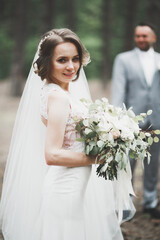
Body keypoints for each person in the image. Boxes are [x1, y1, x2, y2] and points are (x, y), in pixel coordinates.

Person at [0, 28, 135, 240]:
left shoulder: (57, 91)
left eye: (75, 59)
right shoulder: (58, 97)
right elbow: (52, 154)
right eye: (62, 60)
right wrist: (96, 157)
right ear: (47, 62)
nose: (71, 66)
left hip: (71, 185)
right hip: (65, 187)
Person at [111, 22, 160, 219]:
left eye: (145, 36)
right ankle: (124, 205)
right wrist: (117, 121)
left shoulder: (159, 59)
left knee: (153, 164)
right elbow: (118, 90)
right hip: (130, 122)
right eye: (138, 35)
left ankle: (150, 202)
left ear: (153, 38)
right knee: (127, 164)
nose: (141, 39)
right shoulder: (123, 59)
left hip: (156, 121)